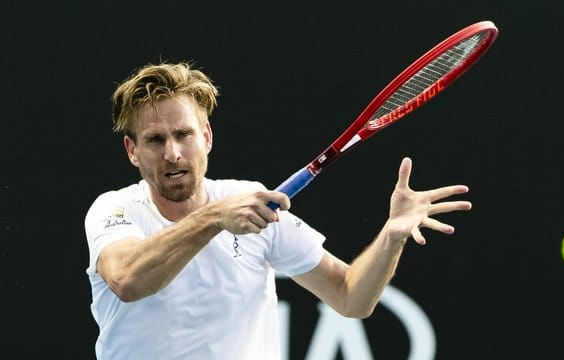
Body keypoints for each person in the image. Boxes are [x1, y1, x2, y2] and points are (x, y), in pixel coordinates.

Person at [84, 61, 472, 360]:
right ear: (132, 151)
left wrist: (390, 238)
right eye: (155, 140)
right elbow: (128, 281)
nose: (172, 153)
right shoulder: (115, 210)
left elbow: (350, 296)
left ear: (206, 137)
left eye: (184, 134)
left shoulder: (252, 202)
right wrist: (214, 217)